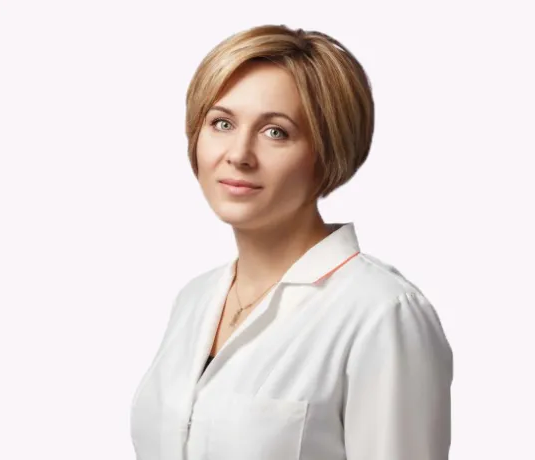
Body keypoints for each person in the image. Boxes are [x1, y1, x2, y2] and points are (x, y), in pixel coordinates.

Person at [130, 24, 453, 460]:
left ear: (328, 152)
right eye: (222, 123)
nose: (238, 154)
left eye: (276, 132)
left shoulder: (381, 313)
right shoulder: (194, 300)